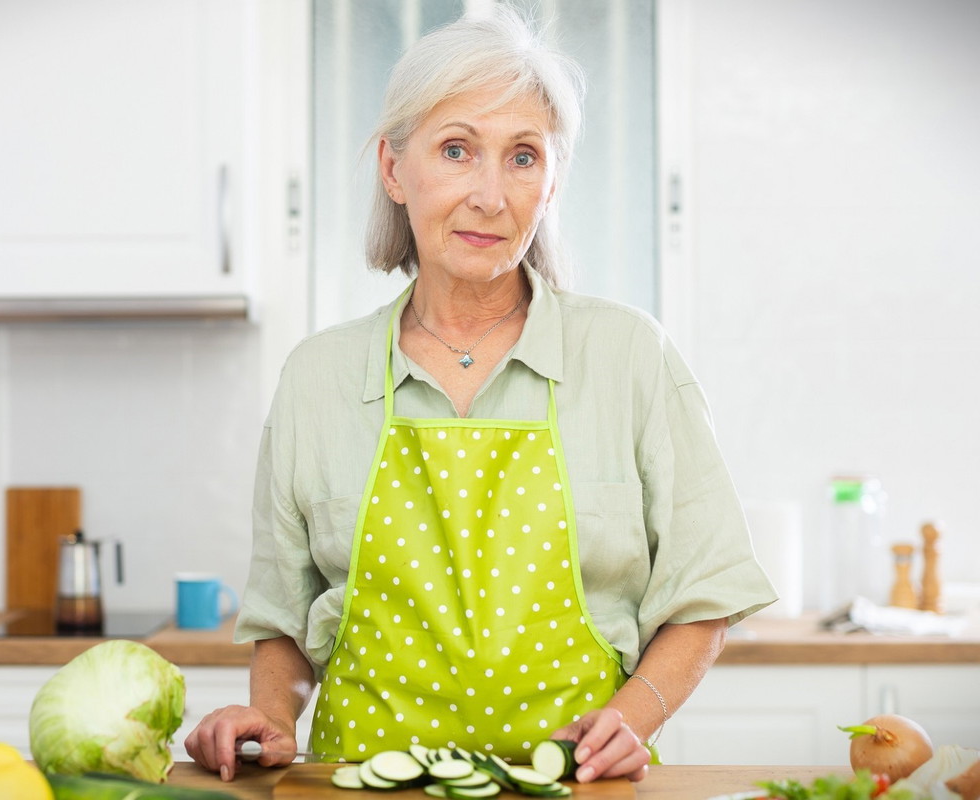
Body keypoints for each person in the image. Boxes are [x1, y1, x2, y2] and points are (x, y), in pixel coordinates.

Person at [185, 7, 776, 785]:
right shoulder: (317, 378)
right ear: (395, 170)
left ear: (552, 182)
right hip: (356, 784)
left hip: (577, 784)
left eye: (523, 157)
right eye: (457, 150)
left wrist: (630, 721)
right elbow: (285, 623)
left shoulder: (629, 356)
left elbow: (706, 592)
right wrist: (270, 715)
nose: (490, 196)